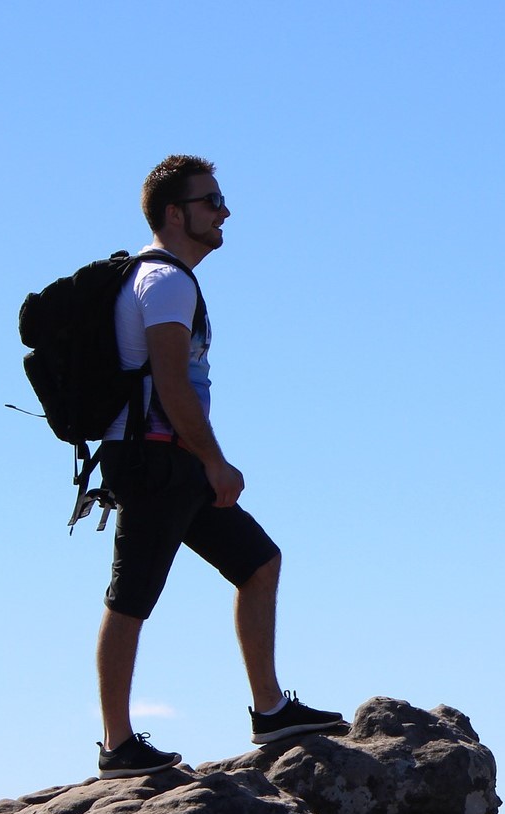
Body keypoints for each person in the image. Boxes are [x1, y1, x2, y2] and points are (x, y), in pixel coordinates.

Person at [93, 154, 344, 779]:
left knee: (258, 561)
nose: (224, 212)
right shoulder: (167, 282)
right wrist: (215, 462)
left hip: (167, 457)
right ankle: (117, 745)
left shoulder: (164, 279)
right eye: (211, 202)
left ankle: (270, 710)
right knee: (131, 597)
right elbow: (173, 384)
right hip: (157, 459)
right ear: (175, 214)